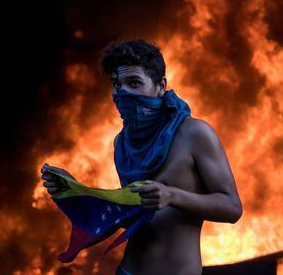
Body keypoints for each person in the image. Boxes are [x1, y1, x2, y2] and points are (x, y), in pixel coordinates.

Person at [41, 39, 243, 275]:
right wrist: (76, 190)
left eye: (134, 82)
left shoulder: (194, 133)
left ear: (160, 86)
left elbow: (232, 207)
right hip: (128, 270)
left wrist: (172, 195)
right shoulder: (122, 143)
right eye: (117, 84)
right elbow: (132, 215)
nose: (123, 92)